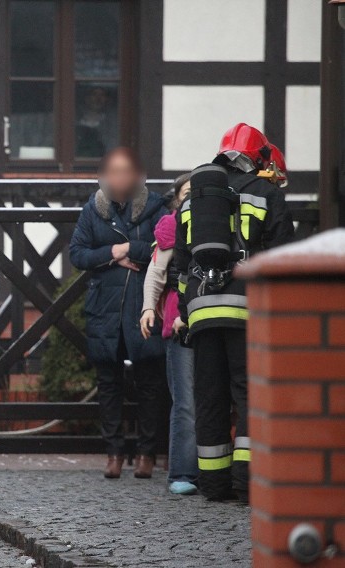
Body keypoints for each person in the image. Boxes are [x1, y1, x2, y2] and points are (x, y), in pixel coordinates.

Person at [174, 124, 294, 502]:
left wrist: (187, 312)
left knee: (209, 397)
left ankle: (213, 485)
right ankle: (247, 484)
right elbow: (282, 258)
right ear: (258, 158)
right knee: (248, 394)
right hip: (247, 310)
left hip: (201, 310)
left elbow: (181, 266)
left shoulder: (193, 201)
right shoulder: (266, 193)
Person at [69, 147, 169, 480]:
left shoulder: (155, 207)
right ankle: (113, 452)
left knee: (149, 383)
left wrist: (131, 249)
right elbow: (78, 253)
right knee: (108, 382)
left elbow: (165, 246)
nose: (120, 178)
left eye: (126, 171)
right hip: (105, 308)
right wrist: (112, 252)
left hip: (145, 307)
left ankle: (146, 453)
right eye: (114, 171)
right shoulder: (93, 209)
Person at [140, 173, 198, 495]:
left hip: (211, 318)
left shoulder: (217, 223)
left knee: (210, 399)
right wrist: (149, 308)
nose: (191, 197)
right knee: (186, 401)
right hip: (179, 319)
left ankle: (210, 471)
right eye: (186, 192)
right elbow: (156, 273)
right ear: (177, 198)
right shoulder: (170, 225)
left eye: (195, 192)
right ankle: (182, 472)